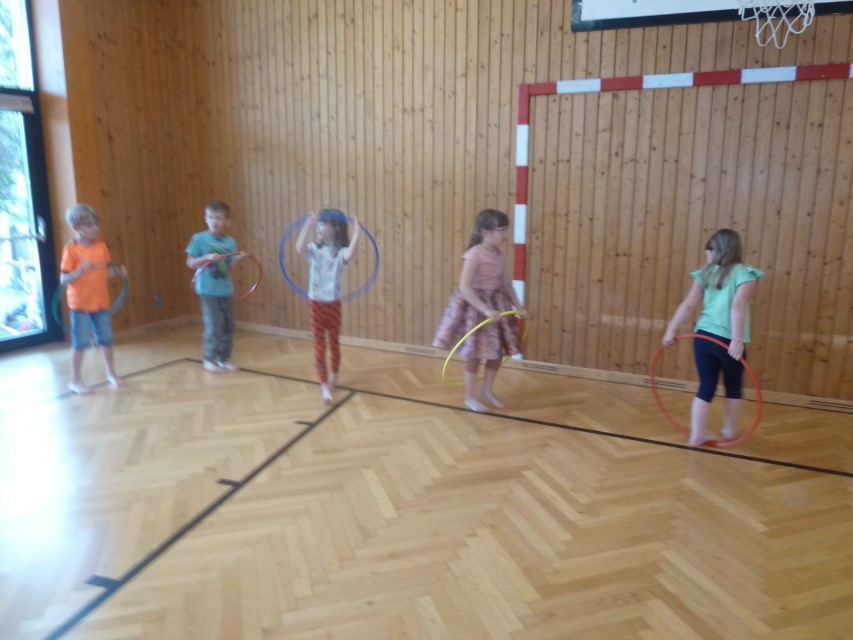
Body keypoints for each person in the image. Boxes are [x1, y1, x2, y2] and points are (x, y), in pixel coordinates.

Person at [662, 228, 764, 447]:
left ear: (723, 250)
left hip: (703, 339)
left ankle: (697, 435)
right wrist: (737, 340)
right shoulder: (745, 274)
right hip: (727, 341)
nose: (706, 253)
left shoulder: (707, 273)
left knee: (706, 386)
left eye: (710, 249)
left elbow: (688, 305)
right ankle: (728, 431)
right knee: (733, 386)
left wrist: (671, 330)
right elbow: (737, 306)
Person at [432, 208, 525, 413]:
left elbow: (506, 284)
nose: (506, 234)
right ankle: (469, 397)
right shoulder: (474, 255)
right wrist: (485, 309)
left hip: (497, 305)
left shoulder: (501, 254)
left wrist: (518, 306)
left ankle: (487, 390)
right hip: (475, 308)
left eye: (507, 229)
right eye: (502, 230)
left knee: (496, 353)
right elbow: (465, 287)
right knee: (475, 355)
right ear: (486, 232)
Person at [60, 204, 128, 394]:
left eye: (96, 224)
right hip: (80, 306)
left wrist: (118, 272)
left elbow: (104, 272)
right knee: (80, 343)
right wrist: (80, 271)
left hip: (101, 303)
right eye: (89, 225)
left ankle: (111, 373)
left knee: (106, 340)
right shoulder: (71, 250)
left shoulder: (101, 247)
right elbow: (64, 279)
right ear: (76, 228)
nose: (95, 228)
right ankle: (75, 380)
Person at [295, 209, 361, 403]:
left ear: (336, 228)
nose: (319, 228)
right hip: (316, 304)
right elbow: (299, 248)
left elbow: (350, 254)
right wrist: (308, 223)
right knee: (319, 345)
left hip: (333, 305)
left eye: (323, 224)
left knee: (334, 342)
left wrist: (357, 232)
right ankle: (324, 385)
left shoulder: (340, 253)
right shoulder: (314, 250)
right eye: (318, 225)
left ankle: (334, 375)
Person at [186, 201, 246, 373]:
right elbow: (190, 262)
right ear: (205, 219)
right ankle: (208, 359)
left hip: (225, 291)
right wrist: (207, 257)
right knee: (214, 325)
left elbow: (229, 269)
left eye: (219, 218)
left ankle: (223, 359)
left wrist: (236, 260)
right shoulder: (199, 238)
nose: (214, 221)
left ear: (227, 221)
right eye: (211, 217)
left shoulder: (230, 242)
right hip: (207, 291)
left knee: (228, 326)